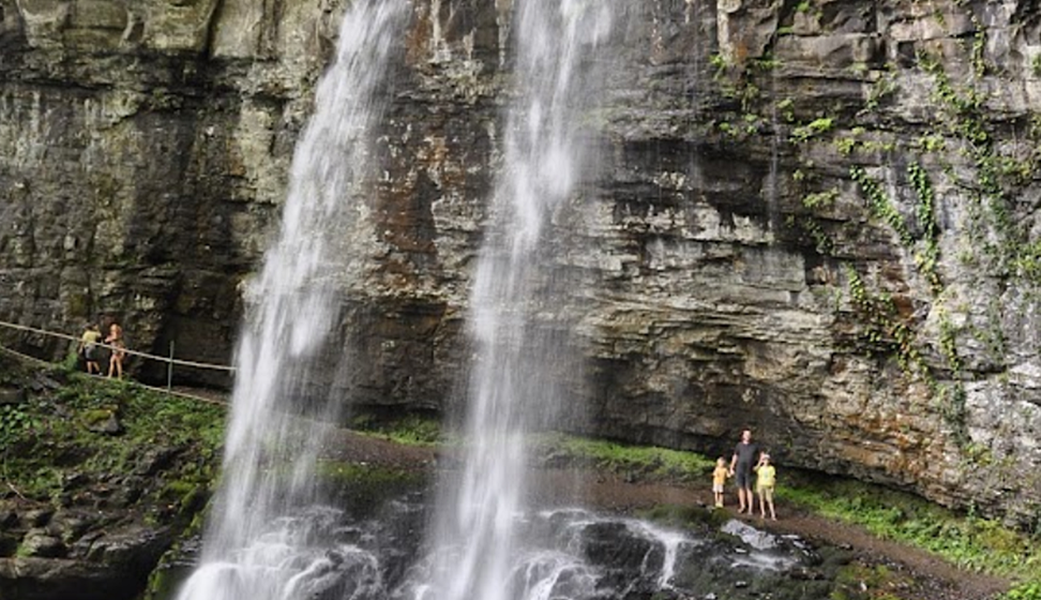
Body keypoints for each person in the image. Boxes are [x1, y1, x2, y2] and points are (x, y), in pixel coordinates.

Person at [729, 429, 759, 514]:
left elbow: (762, 455)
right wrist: (731, 467)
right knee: (741, 488)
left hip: (749, 470)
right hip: (739, 469)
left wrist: (758, 466)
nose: (747, 436)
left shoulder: (755, 446)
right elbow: (735, 456)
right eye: (746, 435)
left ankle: (750, 508)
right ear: (743, 436)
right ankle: (743, 506)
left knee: (749, 488)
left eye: (749, 435)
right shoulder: (739, 445)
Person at [754, 452, 777, 520]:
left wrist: (773, 487)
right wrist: (757, 486)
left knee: (770, 500)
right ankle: (763, 513)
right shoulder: (760, 468)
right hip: (761, 485)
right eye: (764, 460)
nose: (766, 461)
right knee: (761, 500)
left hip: (768, 485)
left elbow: (773, 478)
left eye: (767, 460)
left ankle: (773, 514)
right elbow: (757, 473)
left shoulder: (771, 468)